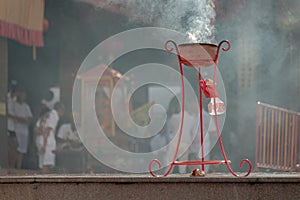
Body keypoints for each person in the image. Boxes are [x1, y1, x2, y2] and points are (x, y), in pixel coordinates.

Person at [166, 96, 197, 174]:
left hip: (174, 142)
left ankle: (166, 176)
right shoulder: (191, 118)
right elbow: (193, 133)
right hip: (185, 142)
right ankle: (182, 177)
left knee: (169, 163)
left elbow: (169, 130)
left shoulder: (174, 117)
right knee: (183, 165)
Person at [35, 102, 65, 173]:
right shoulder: (54, 115)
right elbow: (47, 130)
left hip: (40, 140)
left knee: (42, 164)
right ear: (60, 110)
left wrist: (41, 135)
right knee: (46, 165)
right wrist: (44, 145)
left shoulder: (45, 115)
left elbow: (36, 129)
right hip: (47, 142)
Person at [13, 87, 33, 169]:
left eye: (24, 95)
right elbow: (13, 117)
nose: (23, 96)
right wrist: (23, 119)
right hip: (16, 130)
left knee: (22, 150)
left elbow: (30, 118)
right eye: (21, 94)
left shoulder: (26, 106)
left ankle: (18, 167)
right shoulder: (13, 104)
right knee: (15, 149)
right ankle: (13, 167)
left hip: (24, 132)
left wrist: (22, 119)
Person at [7, 81, 18, 168]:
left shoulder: (14, 101)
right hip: (7, 127)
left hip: (13, 127)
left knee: (15, 146)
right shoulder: (7, 99)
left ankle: (12, 166)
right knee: (10, 146)